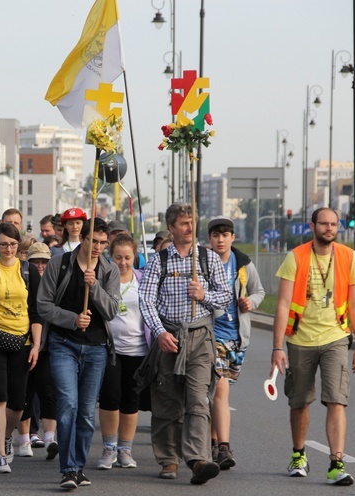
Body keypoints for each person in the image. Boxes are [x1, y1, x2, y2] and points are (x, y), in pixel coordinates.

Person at [137, 203, 232, 485]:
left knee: (198, 398)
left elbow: (225, 296)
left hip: (201, 336)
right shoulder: (159, 261)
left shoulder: (208, 259)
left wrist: (203, 295)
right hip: (169, 335)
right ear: (171, 228)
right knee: (166, 400)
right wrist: (159, 332)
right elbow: (146, 300)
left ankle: (199, 459)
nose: (189, 228)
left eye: (192, 222)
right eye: (183, 224)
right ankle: (168, 459)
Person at [271, 207, 355, 486]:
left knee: (337, 399)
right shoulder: (296, 257)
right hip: (300, 338)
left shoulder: (349, 257)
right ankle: (299, 455)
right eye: (323, 223)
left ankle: (337, 463)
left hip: (336, 337)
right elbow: (283, 304)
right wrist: (277, 347)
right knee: (299, 402)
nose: (329, 228)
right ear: (312, 226)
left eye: (333, 224)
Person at [37, 217, 120, 489]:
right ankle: (68, 469)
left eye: (102, 243)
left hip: (96, 348)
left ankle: (79, 466)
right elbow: (43, 306)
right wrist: (72, 319)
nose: (97, 247)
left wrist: (94, 286)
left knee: (85, 412)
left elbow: (111, 311)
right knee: (68, 404)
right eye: (92, 240)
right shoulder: (58, 264)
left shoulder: (109, 270)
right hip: (64, 344)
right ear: (81, 238)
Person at [0, 223, 43, 474]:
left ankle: (6, 435)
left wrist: (36, 345)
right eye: (3, 244)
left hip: (22, 341)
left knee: (17, 404)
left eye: (13, 244)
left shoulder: (28, 272)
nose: (8, 249)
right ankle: (0, 455)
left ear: (19, 246)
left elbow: (36, 312)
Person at [206, 216, 265, 470]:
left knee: (218, 392)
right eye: (216, 235)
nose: (221, 240)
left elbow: (259, 291)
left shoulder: (243, 264)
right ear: (210, 239)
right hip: (210, 334)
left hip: (237, 337)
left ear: (233, 237)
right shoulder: (203, 262)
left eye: (225, 235)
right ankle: (224, 447)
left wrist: (250, 302)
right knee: (220, 388)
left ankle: (212, 441)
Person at [97, 233, 149, 471]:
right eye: (118, 257)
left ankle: (125, 450)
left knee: (131, 401)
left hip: (138, 350)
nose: (123, 262)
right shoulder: (103, 279)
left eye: (128, 257)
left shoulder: (143, 280)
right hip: (110, 349)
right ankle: (109, 448)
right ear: (111, 256)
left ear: (135, 256)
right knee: (110, 399)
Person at [17, 242, 58, 460]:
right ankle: (24, 439)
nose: (40, 266)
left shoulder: (56, 283)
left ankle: (50, 438)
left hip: (49, 346)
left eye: (44, 262)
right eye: (36, 262)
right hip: (24, 345)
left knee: (49, 391)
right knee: (24, 392)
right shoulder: (21, 281)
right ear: (28, 263)